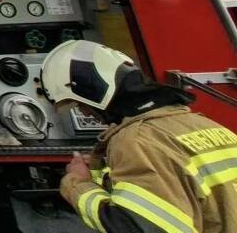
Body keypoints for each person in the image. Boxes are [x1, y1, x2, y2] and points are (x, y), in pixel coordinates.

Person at [40, 40, 237, 232]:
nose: (84, 113)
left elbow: (140, 226)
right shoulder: (205, 125)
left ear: (94, 93)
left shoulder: (135, 141)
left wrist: (78, 183)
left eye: (80, 105)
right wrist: (107, 168)